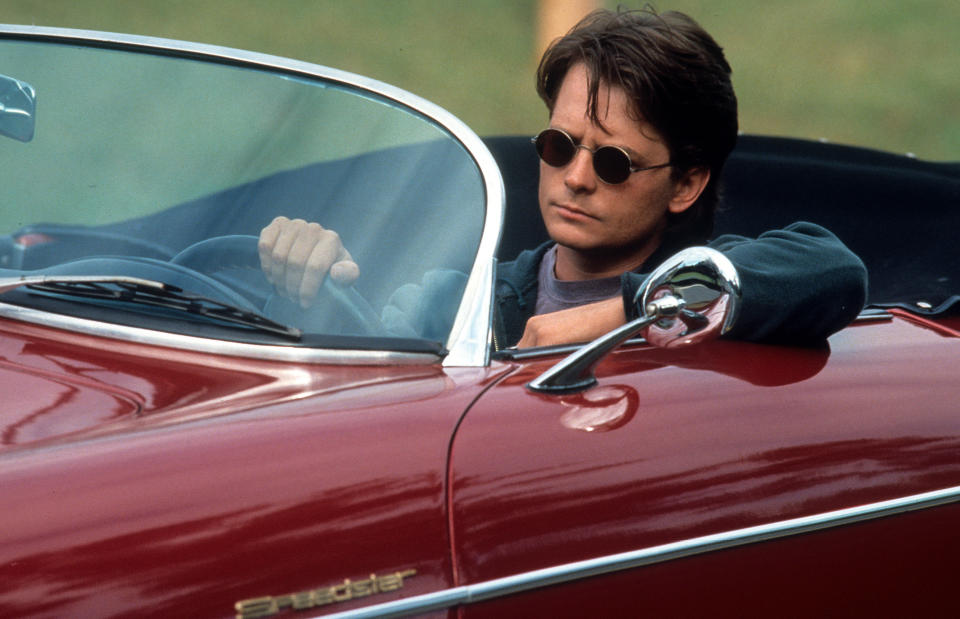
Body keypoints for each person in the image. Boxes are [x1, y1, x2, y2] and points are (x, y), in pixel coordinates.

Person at [259, 8, 867, 348]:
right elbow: (366, 379)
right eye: (559, 144)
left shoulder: (713, 284)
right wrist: (303, 285)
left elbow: (832, 272)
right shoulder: (460, 299)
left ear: (685, 184)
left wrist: (634, 309)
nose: (575, 178)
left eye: (613, 163)